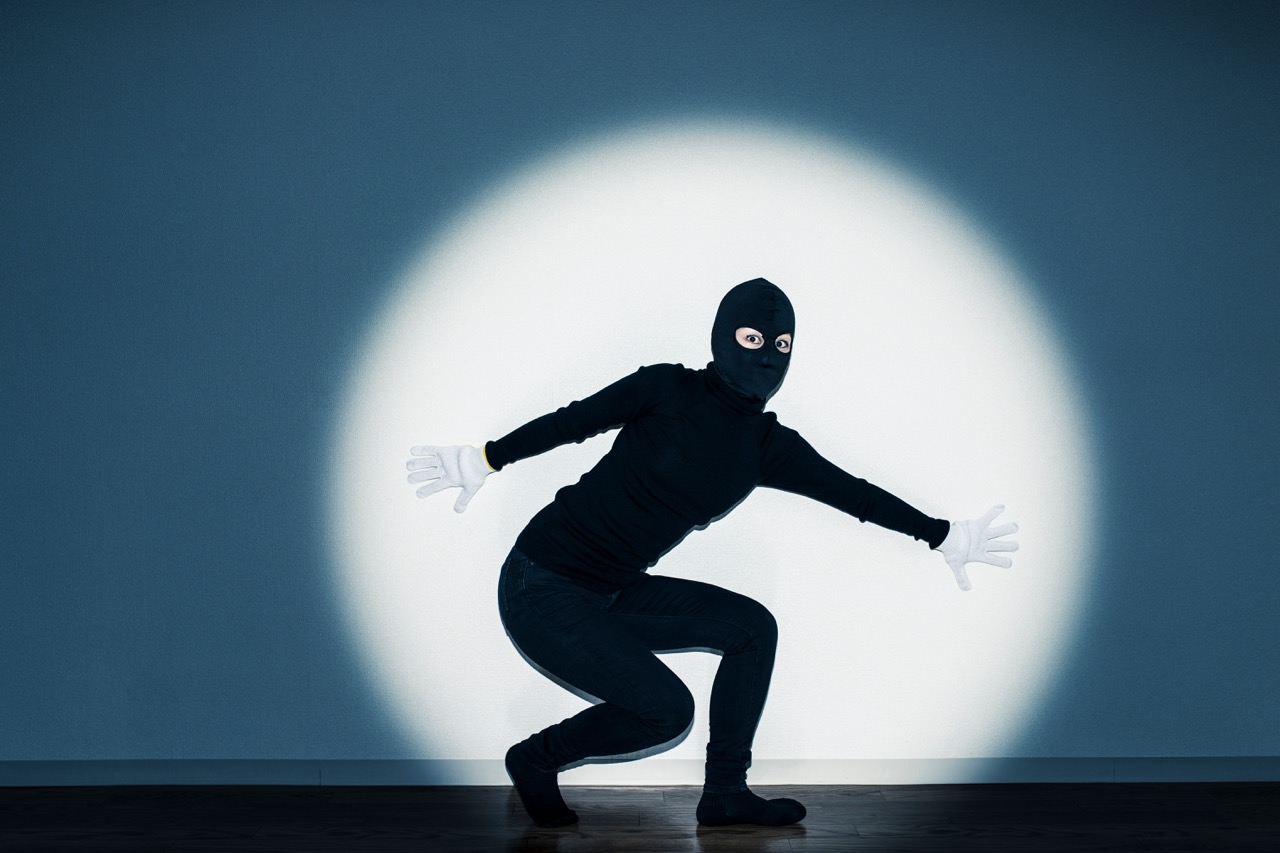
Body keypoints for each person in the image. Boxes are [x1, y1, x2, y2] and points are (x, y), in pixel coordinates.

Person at [406, 278, 1017, 828]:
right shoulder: (664, 388)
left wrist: (942, 534)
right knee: (667, 712)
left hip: (615, 591)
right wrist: (486, 458)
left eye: (781, 346)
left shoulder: (767, 445)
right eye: (752, 339)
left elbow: (854, 494)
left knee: (752, 628)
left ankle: (726, 792)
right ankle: (536, 758)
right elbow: (573, 422)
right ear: (724, 337)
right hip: (541, 583)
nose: (766, 356)